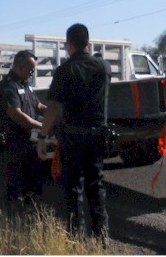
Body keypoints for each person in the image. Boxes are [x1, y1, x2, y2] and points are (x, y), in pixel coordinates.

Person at [38, 23, 111, 248]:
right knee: (96, 185)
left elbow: (53, 107)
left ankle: (75, 239)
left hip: (72, 136)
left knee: (74, 187)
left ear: (69, 45)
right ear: (88, 43)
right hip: (97, 135)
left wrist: (42, 136)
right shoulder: (103, 67)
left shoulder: (65, 70)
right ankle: (102, 238)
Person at [0, 50, 47, 206]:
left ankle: (29, 208)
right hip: (12, 141)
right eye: (30, 70)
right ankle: (11, 213)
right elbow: (16, 115)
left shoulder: (26, 84)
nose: (32, 73)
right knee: (15, 182)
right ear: (19, 67)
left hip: (25, 139)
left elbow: (37, 106)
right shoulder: (7, 86)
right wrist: (43, 126)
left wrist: (54, 114)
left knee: (33, 177)